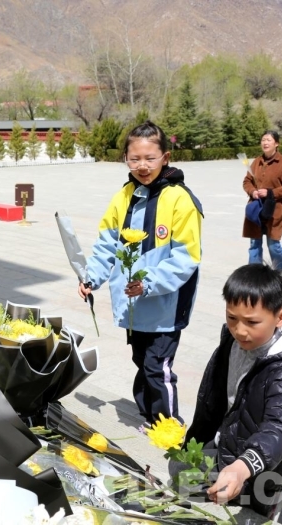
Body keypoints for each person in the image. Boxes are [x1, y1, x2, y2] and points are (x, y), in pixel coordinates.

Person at [77, 121, 203, 425]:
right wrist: (91, 277)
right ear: (125, 158)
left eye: (150, 158)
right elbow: (107, 242)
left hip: (165, 304)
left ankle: (169, 425)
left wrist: (147, 283)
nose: (142, 166)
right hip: (133, 304)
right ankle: (148, 414)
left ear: (165, 157)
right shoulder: (124, 196)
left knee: (157, 366)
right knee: (141, 359)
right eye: (134, 159)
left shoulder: (180, 199)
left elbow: (186, 257)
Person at [179, 263, 282, 519]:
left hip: (268, 461)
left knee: (259, 504)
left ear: (281, 317)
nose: (240, 330)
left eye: (252, 322)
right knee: (183, 480)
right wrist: (194, 441)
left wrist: (242, 467)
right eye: (232, 318)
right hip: (231, 442)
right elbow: (215, 399)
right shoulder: (232, 340)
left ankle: (270, 495)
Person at [243, 130, 282, 284]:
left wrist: (270, 192)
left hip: (275, 210)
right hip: (257, 209)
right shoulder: (256, 161)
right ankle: (254, 278)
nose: (265, 143)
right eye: (263, 140)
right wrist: (252, 191)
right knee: (254, 244)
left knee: (274, 246)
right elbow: (247, 181)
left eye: (268, 140)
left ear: (276, 143)